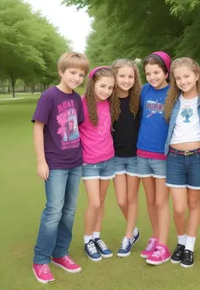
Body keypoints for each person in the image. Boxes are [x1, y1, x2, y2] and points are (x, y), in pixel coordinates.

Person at [32, 52, 89, 284]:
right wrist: (41, 161)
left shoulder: (76, 99)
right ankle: (41, 260)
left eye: (81, 74)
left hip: (76, 162)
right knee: (53, 211)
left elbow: (80, 126)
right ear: (61, 72)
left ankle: (60, 254)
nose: (76, 78)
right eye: (72, 72)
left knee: (69, 211)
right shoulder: (48, 97)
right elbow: (38, 128)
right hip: (55, 164)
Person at [164, 57, 200, 268]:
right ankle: (180, 243)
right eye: (178, 78)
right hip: (175, 158)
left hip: (199, 157)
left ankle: (189, 247)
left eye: (187, 76)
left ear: (197, 76)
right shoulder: (172, 101)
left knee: (193, 204)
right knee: (179, 208)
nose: (183, 81)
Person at [137, 51, 172, 265]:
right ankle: (155, 236)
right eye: (148, 73)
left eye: (156, 72)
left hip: (162, 156)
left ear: (166, 72)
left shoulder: (173, 93)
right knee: (150, 201)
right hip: (142, 153)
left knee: (161, 201)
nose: (152, 76)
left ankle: (163, 245)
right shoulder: (144, 91)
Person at [80, 66, 116, 262]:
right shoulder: (81, 104)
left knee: (100, 203)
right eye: (102, 86)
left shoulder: (109, 104)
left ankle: (96, 237)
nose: (106, 91)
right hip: (89, 162)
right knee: (94, 202)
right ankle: (87, 240)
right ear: (92, 84)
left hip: (108, 160)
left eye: (110, 87)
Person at [111, 59, 142, 257]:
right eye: (122, 76)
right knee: (121, 200)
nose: (126, 80)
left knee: (131, 199)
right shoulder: (107, 99)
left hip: (135, 156)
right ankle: (135, 230)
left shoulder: (139, 99)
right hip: (114, 156)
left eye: (130, 76)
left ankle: (128, 236)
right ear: (114, 76)